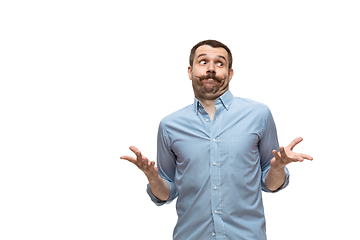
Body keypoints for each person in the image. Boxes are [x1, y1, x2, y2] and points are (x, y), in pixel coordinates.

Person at [121, 40, 313, 240]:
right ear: (190, 71)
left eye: (219, 63)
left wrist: (277, 168)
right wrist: (153, 179)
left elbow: (271, 184)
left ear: (230, 73)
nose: (211, 68)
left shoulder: (259, 115)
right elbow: (166, 192)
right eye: (203, 62)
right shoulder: (169, 125)